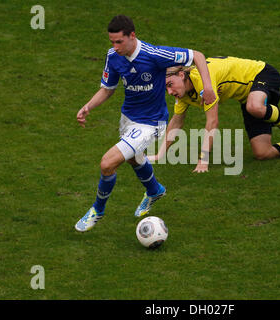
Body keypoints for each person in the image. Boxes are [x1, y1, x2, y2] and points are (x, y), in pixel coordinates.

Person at [74, 15, 215, 232]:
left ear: (132, 36)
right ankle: (155, 190)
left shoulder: (154, 55)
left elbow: (197, 55)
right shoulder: (113, 57)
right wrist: (88, 106)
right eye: (112, 41)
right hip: (128, 118)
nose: (115, 46)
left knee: (107, 163)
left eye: (119, 41)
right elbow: (108, 89)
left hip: (151, 122)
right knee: (133, 158)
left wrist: (207, 88)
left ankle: (97, 210)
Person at [149, 56, 280, 172]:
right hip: (248, 97)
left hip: (263, 75)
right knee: (262, 152)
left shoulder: (202, 82)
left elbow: (212, 122)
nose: (170, 92)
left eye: (170, 85)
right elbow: (176, 122)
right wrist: (160, 154)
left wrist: (203, 160)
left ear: (182, 75)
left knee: (255, 106)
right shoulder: (182, 93)